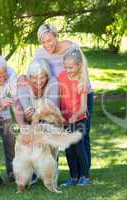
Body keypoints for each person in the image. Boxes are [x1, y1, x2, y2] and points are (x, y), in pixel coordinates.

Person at [22, 24, 94, 169]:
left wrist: (82, 104)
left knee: (82, 134)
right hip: (61, 98)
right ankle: (74, 174)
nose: (47, 45)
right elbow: (34, 70)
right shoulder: (40, 53)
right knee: (66, 134)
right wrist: (23, 77)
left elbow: (84, 71)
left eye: (50, 40)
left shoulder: (72, 48)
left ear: (56, 36)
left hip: (80, 95)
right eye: (43, 42)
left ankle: (85, 173)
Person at [59, 49, 91, 187]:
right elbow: (60, 97)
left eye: (70, 67)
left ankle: (85, 176)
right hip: (65, 119)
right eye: (65, 67)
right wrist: (59, 114)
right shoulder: (61, 76)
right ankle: (74, 176)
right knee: (69, 149)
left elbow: (84, 107)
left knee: (79, 147)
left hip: (79, 119)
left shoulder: (82, 81)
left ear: (78, 65)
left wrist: (76, 115)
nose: (68, 70)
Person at [18, 59, 59, 124]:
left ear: (47, 75)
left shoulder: (53, 82)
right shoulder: (23, 85)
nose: (38, 82)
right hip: (31, 125)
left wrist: (36, 115)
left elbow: (53, 108)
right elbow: (26, 113)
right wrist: (29, 114)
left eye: (42, 77)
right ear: (29, 77)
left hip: (51, 124)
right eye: (34, 78)